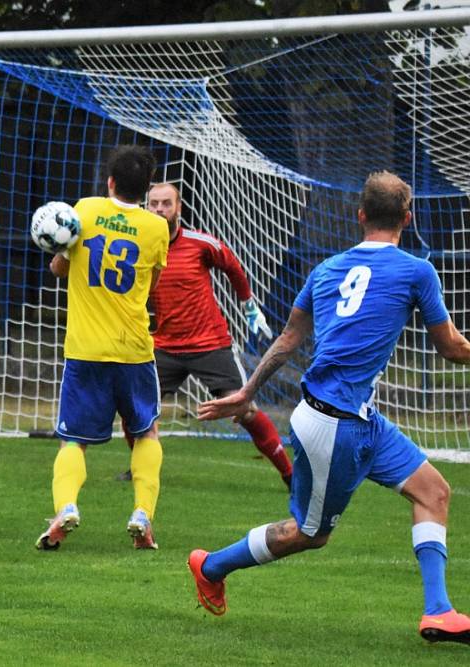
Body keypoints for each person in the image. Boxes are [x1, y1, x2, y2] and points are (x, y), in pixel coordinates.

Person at [192, 171, 470, 645]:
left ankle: (439, 611)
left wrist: (247, 391)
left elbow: (288, 338)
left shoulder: (325, 270)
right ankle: (211, 566)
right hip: (333, 424)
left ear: (360, 216)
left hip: (358, 417)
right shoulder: (417, 269)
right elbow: (451, 348)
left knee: (434, 492)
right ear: (408, 217)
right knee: (309, 534)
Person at [35, 145, 169, 551]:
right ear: (146, 190)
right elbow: (151, 286)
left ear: (109, 181)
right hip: (133, 350)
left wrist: (59, 257)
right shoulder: (156, 229)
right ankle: (142, 513)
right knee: (146, 431)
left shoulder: (85, 210)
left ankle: (67, 507)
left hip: (85, 349)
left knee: (72, 440)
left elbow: (60, 266)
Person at [116, 183, 293, 488]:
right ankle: (140, 470)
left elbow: (233, 267)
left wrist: (249, 306)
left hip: (210, 345)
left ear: (178, 208)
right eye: (154, 204)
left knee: (244, 409)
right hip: (164, 347)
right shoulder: (139, 246)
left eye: (166, 204)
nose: (159, 209)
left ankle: (291, 475)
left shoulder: (200, 243)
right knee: (135, 409)